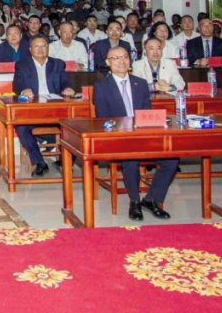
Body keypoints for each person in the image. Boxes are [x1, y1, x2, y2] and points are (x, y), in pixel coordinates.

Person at [93, 46, 176, 221]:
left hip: (143, 136)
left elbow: (147, 113)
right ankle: (135, 201)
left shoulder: (140, 83)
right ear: (108, 62)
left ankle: (152, 199)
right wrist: (125, 132)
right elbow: (103, 120)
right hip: (118, 138)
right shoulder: (101, 88)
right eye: (115, 58)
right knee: (131, 159)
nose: (121, 61)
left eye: (124, 57)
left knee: (172, 159)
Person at [12, 35, 75, 176]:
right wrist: (24, 90)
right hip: (34, 110)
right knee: (21, 127)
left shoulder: (58, 64)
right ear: (30, 49)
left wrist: (67, 88)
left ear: (48, 48)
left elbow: (64, 81)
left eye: (44, 46)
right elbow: (17, 84)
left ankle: (65, 160)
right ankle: (39, 162)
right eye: (37, 46)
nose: (41, 49)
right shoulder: (22, 65)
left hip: (56, 110)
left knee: (75, 126)